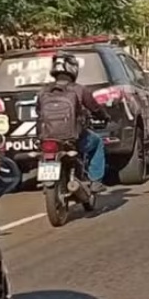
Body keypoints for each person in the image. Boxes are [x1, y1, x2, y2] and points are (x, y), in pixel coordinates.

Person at [35, 52, 110, 193]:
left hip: (47, 138)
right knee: (98, 142)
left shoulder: (43, 90)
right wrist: (104, 117)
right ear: (73, 69)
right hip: (74, 139)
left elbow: (38, 112)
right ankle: (95, 181)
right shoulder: (80, 89)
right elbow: (95, 108)